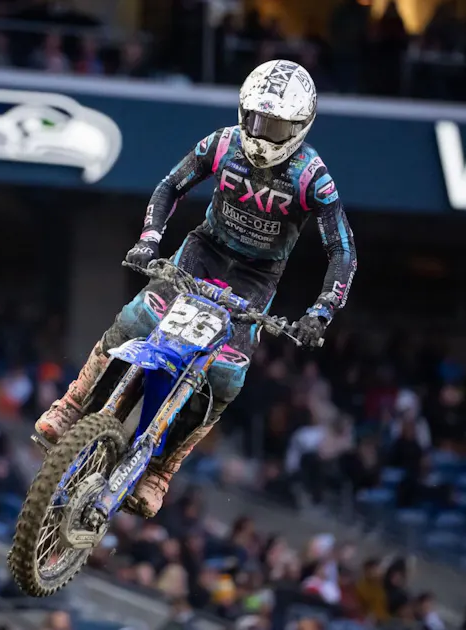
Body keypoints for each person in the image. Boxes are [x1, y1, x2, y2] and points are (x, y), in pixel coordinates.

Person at [35, 59, 358, 518]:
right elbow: (171, 185)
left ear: (301, 126)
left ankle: (161, 470)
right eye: (256, 121)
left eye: (275, 127)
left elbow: (342, 249)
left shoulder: (312, 176)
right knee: (136, 319)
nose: (262, 135)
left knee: (226, 376)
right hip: (202, 252)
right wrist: (149, 240)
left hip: (255, 279)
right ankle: (71, 404)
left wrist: (321, 312)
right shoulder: (222, 143)